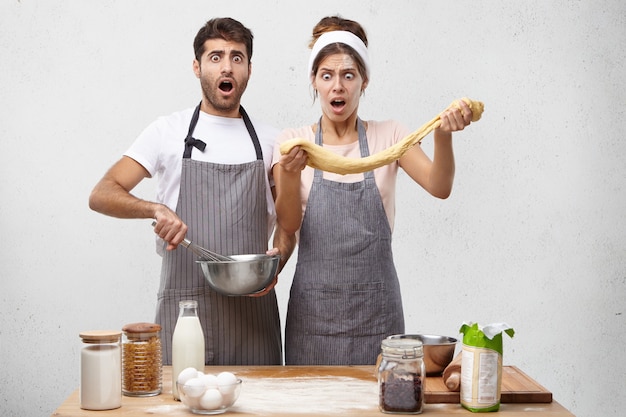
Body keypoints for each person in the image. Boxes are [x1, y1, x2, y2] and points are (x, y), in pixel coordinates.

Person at [89, 17, 294, 366]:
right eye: (215, 57)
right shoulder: (167, 131)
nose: (226, 66)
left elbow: (288, 225)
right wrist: (154, 209)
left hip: (253, 318)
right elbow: (102, 193)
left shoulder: (274, 141)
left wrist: (278, 263)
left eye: (236, 57)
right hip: (186, 312)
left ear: (248, 69)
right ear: (197, 67)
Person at [272, 16, 475, 365]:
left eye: (348, 75)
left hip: (377, 317)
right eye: (327, 76)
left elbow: (440, 187)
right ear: (314, 82)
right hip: (313, 319)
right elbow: (288, 225)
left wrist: (443, 134)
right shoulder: (293, 142)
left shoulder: (391, 136)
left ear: (364, 81)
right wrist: (291, 175)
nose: (338, 86)